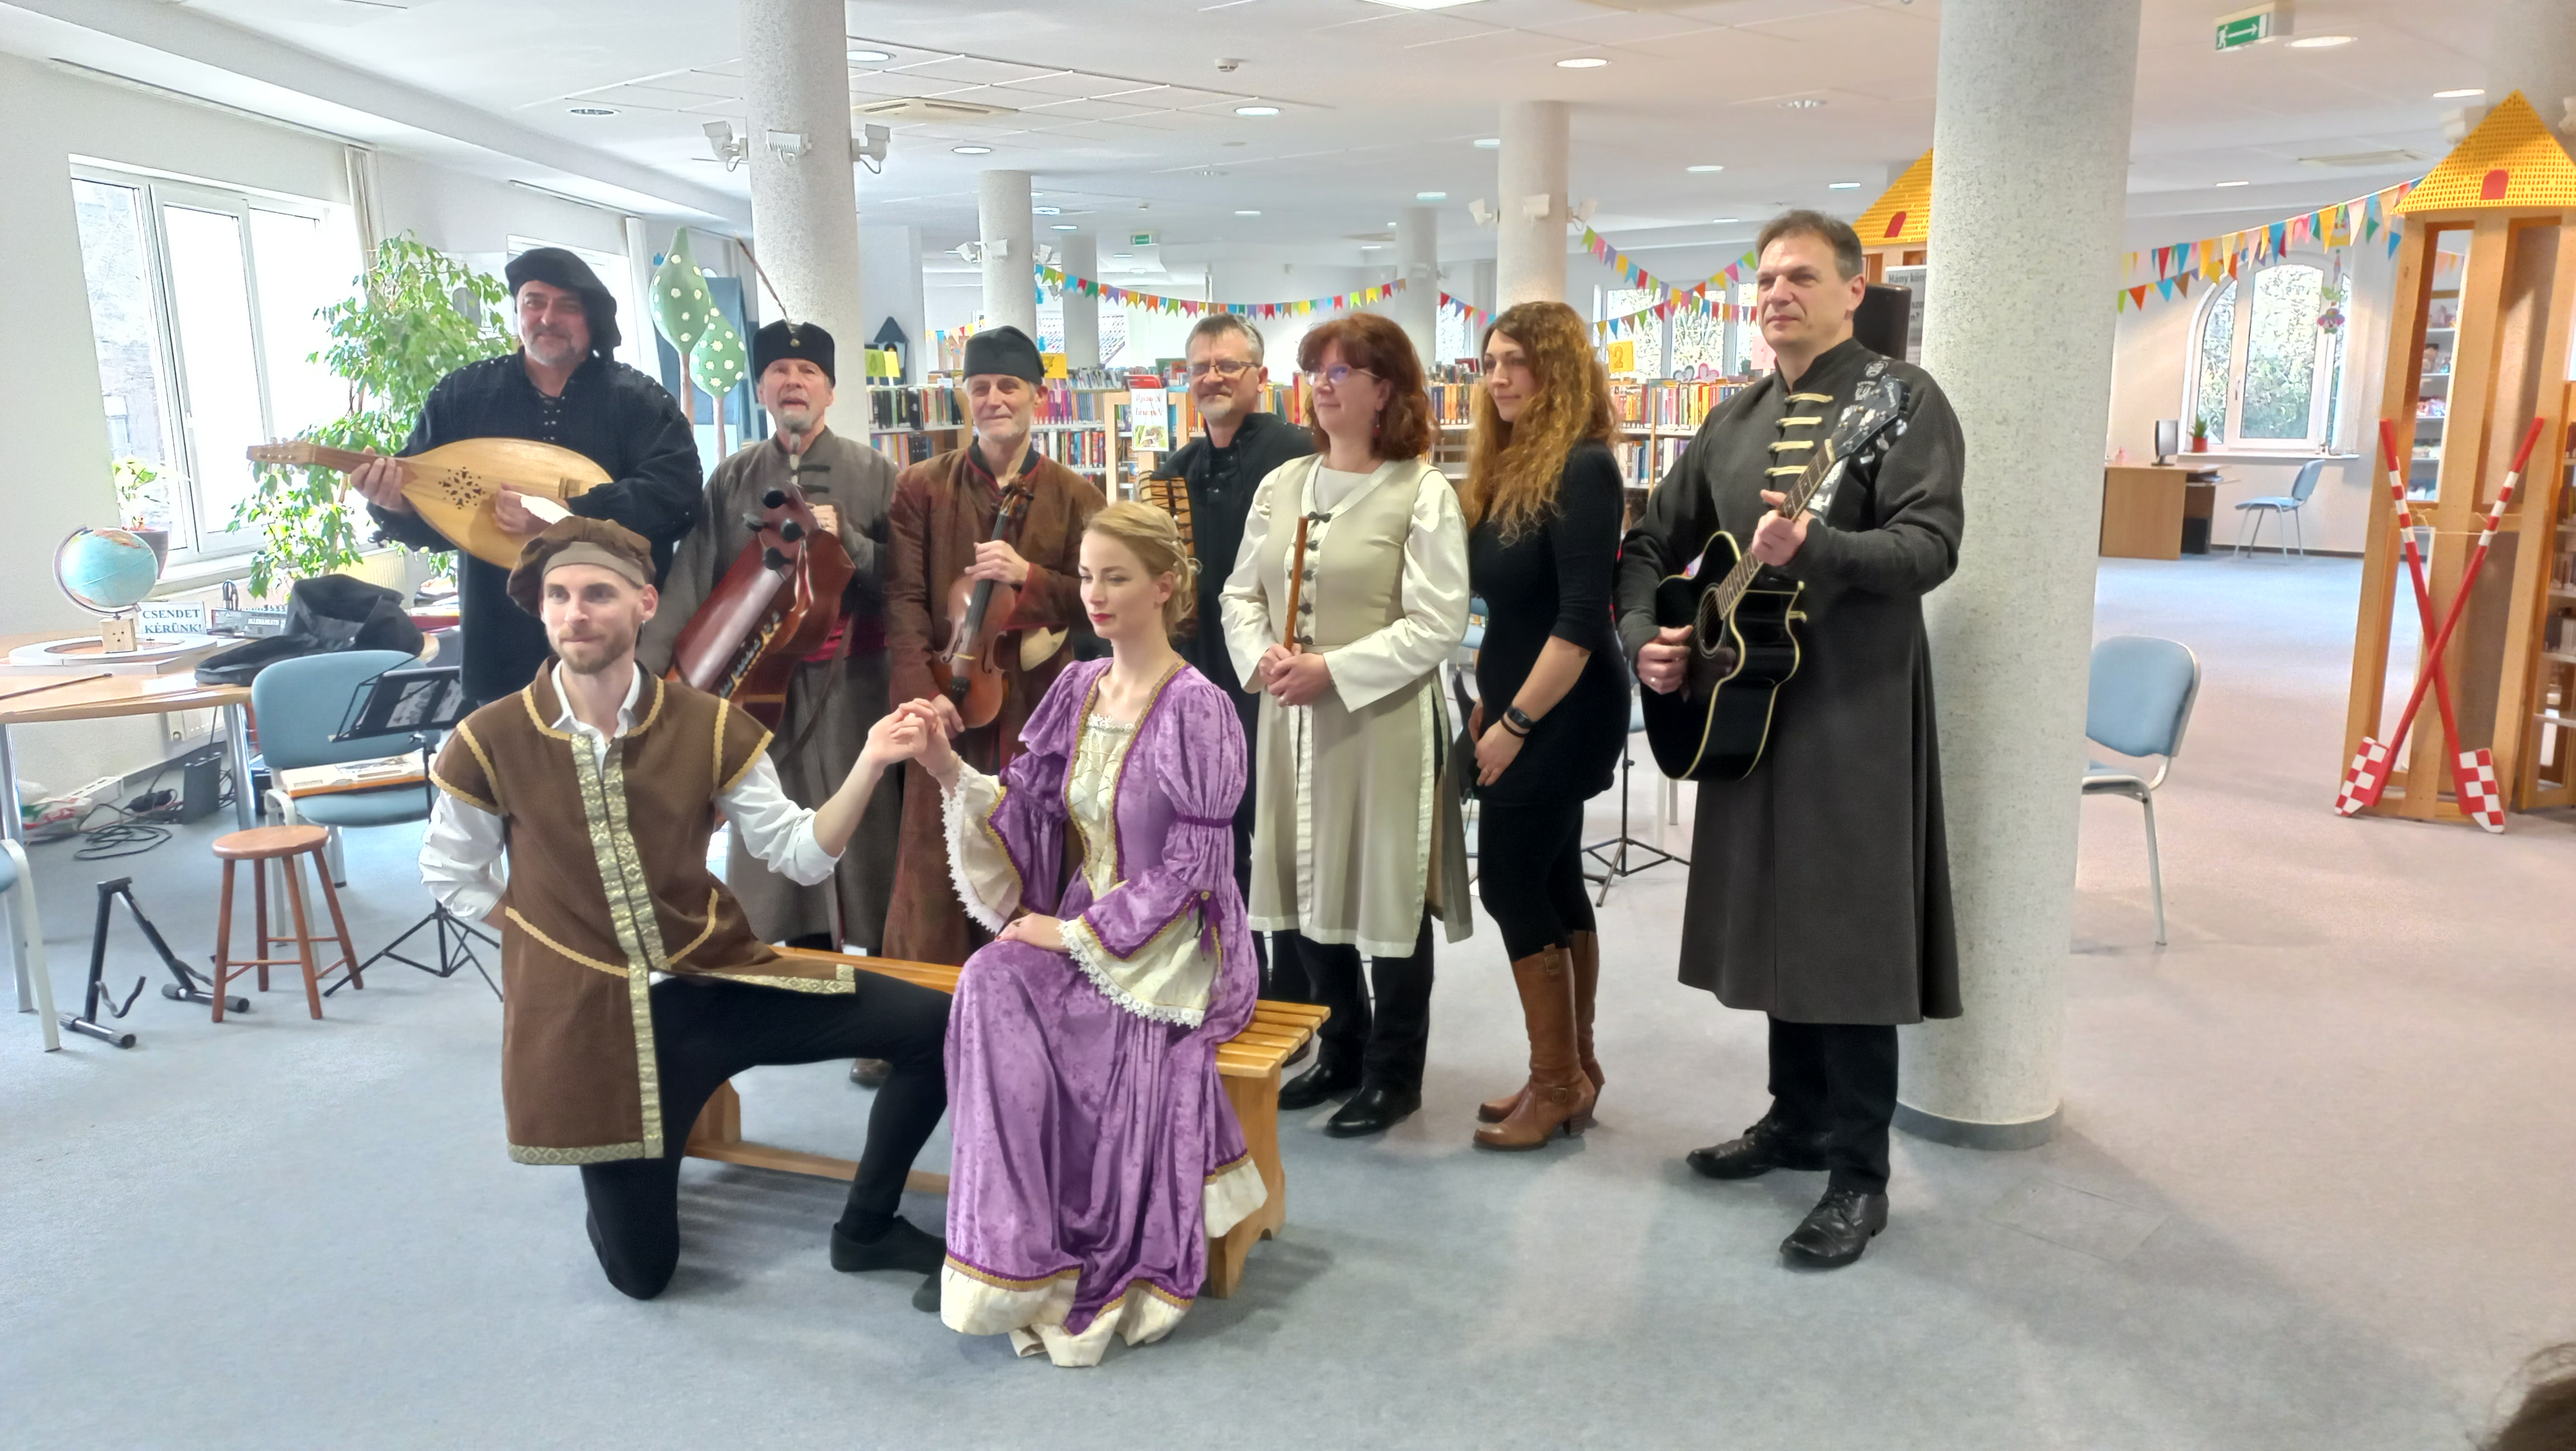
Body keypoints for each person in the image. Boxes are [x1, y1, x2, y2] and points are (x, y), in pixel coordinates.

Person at [419, 517, 952, 1303]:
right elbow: (451, 872)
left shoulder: (706, 724)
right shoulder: (490, 738)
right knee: (644, 1276)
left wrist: (871, 761)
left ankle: (868, 1226)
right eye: (558, 597)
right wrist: (546, 934)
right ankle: (627, 1167)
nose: (575, 614)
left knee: (938, 1024)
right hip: (596, 1026)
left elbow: (799, 853)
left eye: (597, 594)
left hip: (719, 989)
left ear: (644, 603)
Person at [1614, 210, 1964, 1269]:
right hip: (1745, 705)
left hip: (1854, 711)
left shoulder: (1902, 400)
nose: (1776, 293)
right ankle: (1795, 1117)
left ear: (1853, 290)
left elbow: (1930, 547)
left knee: (1846, 935)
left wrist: (1820, 546)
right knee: (1774, 912)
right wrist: (1649, 637)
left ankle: (1859, 1176)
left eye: (1801, 276)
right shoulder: (1733, 417)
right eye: (1765, 278)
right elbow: (1647, 545)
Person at [892, 501, 1264, 1367]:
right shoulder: (1078, 687)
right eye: (1088, 576)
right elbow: (1028, 808)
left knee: (1066, 1013)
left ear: (1164, 587)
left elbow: (1194, 868)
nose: (1094, 594)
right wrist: (946, 767)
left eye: (1116, 578)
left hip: (1169, 940)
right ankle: (1015, 1249)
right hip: (1086, 916)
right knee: (989, 982)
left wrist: (1078, 936)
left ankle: (1079, 1241)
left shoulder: (1200, 709)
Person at [1221, 311, 1472, 1138]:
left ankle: (1395, 1073)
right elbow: (1240, 592)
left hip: (1382, 723)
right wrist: (1263, 658)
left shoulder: (1422, 492)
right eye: (1315, 371)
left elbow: (1437, 623)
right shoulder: (1282, 485)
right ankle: (1340, 1048)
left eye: (1340, 372)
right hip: (1289, 718)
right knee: (1301, 875)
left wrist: (1332, 669)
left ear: (1383, 390)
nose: (1322, 386)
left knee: (1385, 886)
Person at [640, 319, 901, 954]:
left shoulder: (874, 472)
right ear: (760, 390)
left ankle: (875, 971)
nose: (793, 382)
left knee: (864, 831)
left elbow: (906, 578)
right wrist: (647, 680)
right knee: (766, 831)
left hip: (853, 687)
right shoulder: (731, 478)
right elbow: (691, 579)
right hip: (756, 687)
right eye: (779, 372)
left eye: (808, 372)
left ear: (831, 391)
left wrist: (848, 541)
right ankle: (783, 966)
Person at [351, 247, 704, 705]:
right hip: (501, 648)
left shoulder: (637, 401)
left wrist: (567, 514)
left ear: (591, 318)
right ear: (518, 311)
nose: (547, 318)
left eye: (567, 306)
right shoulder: (464, 397)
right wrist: (394, 504)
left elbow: (677, 499)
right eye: (534, 302)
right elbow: (443, 520)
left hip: (617, 649)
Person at [1457, 301, 1630, 1151]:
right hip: (1524, 701)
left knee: (1509, 884)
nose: (1499, 377)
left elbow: (1580, 619)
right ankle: (1573, 1071)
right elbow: (1512, 610)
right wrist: (1489, 695)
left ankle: (1558, 1082)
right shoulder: (1517, 464)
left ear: (1557, 370)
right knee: (1555, 880)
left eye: (1517, 361)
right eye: (1490, 361)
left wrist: (1516, 721)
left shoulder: (1584, 467)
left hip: (1563, 711)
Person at [882, 324, 1106, 965]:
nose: (994, 399)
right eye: (979, 387)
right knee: (935, 861)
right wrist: (923, 694)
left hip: (1039, 709)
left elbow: (1099, 601)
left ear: (1038, 396)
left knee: (1031, 854)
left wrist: (1029, 579)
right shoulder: (920, 487)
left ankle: (1030, 995)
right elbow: (902, 599)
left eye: (1008, 386)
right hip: (945, 700)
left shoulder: (1077, 495)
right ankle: (925, 1003)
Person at [1155, 314, 1315, 989]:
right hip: (1200, 681)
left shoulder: (1300, 456)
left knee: (1283, 841)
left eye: (1227, 365)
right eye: (1200, 368)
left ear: (1260, 376)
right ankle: (1237, 977)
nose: (1212, 378)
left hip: (1277, 677)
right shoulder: (1174, 473)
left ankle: (1296, 992)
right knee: (1217, 835)